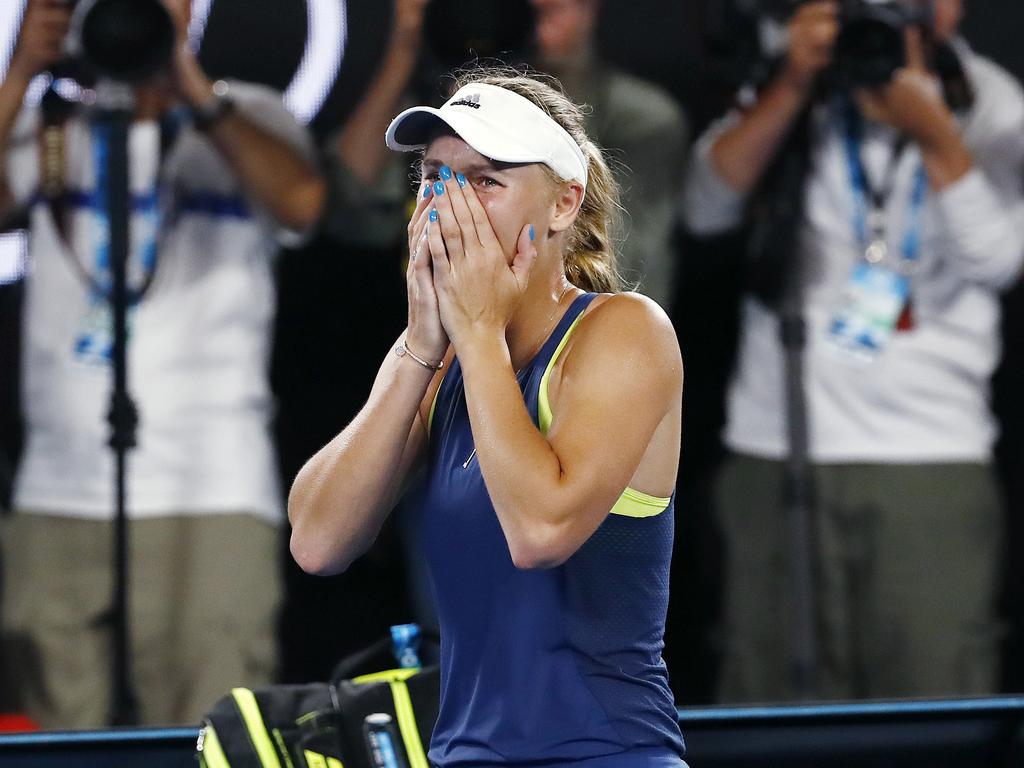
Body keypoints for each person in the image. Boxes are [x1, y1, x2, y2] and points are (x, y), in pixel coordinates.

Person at [289, 68, 687, 767]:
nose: (447, 206)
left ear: (564, 204)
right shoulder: (438, 358)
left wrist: (475, 335)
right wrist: (420, 345)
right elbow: (319, 541)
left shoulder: (626, 332)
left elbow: (540, 531)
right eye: (434, 178)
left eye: (485, 181)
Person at [683, 0, 1024, 702]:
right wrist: (790, 85)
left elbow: (998, 260)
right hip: (777, 445)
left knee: (933, 697)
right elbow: (706, 205)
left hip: (928, 456)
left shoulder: (990, 101)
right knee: (771, 701)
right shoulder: (795, 76)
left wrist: (933, 133)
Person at [0, 0, 325, 726]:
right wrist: (21, 70)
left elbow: (301, 201)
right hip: (59, 490)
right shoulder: (53, 124)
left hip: (211, 491)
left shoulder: (250, 115)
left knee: (209, 734)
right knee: (58, 742)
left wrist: (190, 89)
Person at [530, 0, 689, 312]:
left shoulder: (646, 119)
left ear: (589, 9)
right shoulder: (465, 103)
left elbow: (619, 264)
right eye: (528, 13)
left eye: (549, 10)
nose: (536, 26)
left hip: (599, 332)